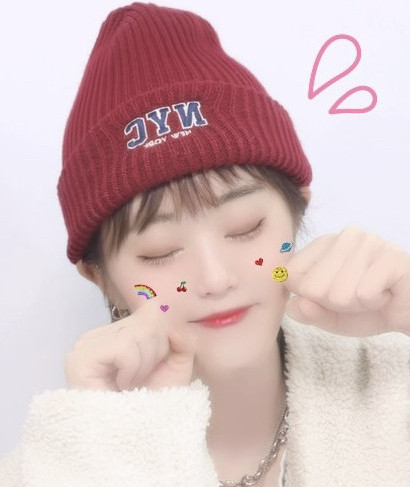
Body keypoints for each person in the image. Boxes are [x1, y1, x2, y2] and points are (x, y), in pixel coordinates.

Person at [1, 3, 410, 486]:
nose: (215, 278)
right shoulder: (49, 471)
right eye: (159, 252)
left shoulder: (395, 382)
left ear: (297, 212)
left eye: (245, 228)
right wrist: (103, 449)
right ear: (100, 277)